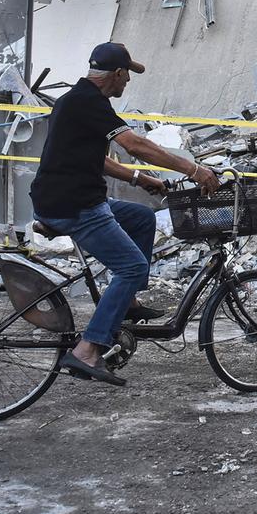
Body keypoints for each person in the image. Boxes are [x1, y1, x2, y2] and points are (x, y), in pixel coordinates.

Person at [30, 42, 220, 386]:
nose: (128, 83)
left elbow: (97, 160)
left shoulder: (75, 101)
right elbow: (136, 145)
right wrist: (194, 170)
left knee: (141, 218)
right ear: (116, 75)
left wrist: (139, 177)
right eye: (127, 75)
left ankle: (127, 302)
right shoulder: (90, 103)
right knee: (131, 266)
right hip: (75, 206)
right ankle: (87, 350)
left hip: (59, 198)